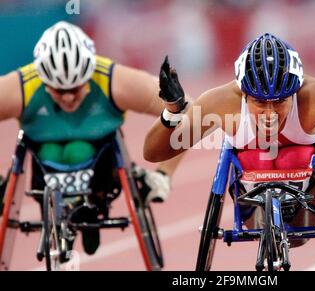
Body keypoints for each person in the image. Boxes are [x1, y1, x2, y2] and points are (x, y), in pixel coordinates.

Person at [144, 32, 315, 244]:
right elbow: (154, 153)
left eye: (279, 102)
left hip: (308, 197)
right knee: (254, 156)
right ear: (243, 94)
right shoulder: (221, 103)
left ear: (296, 90)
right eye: (259, 102)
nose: (269, 112)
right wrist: (173, 111)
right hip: (251, 196)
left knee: (297, 157)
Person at [0, 21, 183, 255]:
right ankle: (71, 209)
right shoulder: (21, 87)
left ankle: (87, 207)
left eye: (76, 88)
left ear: (88, 75)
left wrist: (164, 174)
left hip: (100, 165)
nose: (68, 98)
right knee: (53, 152)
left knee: (79, 148)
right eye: (58, 90)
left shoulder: (113, 80)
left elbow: (190, 111)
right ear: (43, 81)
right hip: (43, 163)